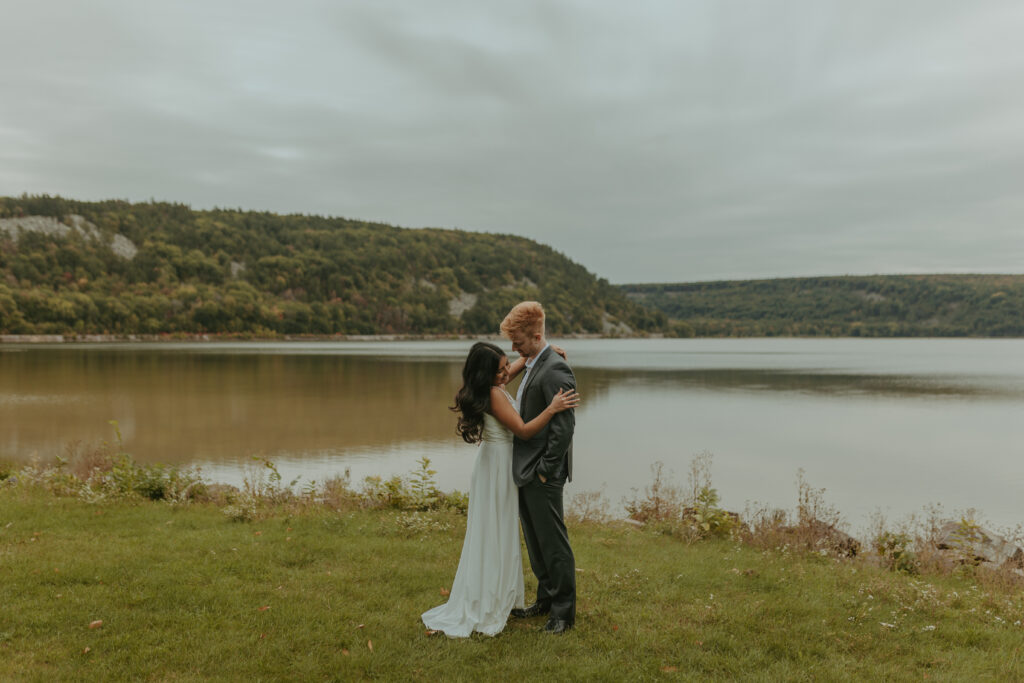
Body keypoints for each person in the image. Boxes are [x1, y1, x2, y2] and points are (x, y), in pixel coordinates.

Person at [421, 341, 579, 638]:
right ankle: (494, 594)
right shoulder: (494, 394)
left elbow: (515, 367)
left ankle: (500, 590)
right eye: (502, 369)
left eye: (508, 365)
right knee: (496, 530)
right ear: (488, 375)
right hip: (498, 467)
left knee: (494, 528)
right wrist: (552, 408)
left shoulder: (489, 386)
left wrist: (540, 353)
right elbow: (523, 430)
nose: (509, 371)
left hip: (494, 463)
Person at [500, 301, 577, 634]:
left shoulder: (555, 368)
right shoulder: (533, 361)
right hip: (526, 470)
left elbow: (563, 427)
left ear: (536, 334)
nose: (513, 347)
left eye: (518, 341)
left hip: (542, 473)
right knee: (535, 540)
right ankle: (545, 598)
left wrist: (546, 469)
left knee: (553, 543)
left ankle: (563, 612)